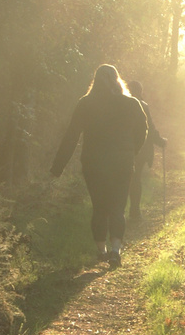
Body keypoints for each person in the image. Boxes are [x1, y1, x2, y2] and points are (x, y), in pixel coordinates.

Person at [50, 64, 149, 267]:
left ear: (94, 81)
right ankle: (115, 250)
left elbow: (71, 136)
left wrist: (58, 166)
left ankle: (101, 251)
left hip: (93, 162)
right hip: (122, 161)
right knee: (118, 207)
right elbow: (143, 130)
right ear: (117, 79)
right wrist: (132, 151)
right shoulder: (131, 103)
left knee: (99, 207)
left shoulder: (85, 104)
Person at [125, 79, 167, 222]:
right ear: (140, 91)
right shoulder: (143, 105)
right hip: (141, 150)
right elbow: (150, 128)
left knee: (125, 179)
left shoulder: (119, 105)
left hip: (124, 149)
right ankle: (135, 212)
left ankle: (120, 213)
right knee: (135, 179)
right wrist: (160, 142)